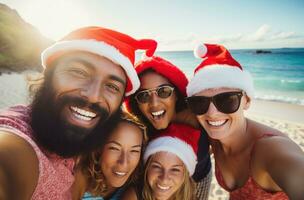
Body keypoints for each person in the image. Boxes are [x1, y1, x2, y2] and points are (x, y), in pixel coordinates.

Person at [0, 26, 157, 199]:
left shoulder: (89, 148)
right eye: (78, 72)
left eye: (112, 86)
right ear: (48, 75)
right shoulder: (18, 142)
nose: (93, 96)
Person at [186, 43, 304, 199]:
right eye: (200, 102)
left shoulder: (271, 148)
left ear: (247, 101)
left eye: (227, 100)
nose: (212, 113)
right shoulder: (213, 137)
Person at [125, 56, 211, 199]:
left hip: (200, 178)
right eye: (144, 96)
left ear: (176, 94)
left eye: (163, 91)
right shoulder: (138, 131)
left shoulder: (198, 118)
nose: (154, 103)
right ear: (137, 103)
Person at [71, 111, 148, 200]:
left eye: (134, 151)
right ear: (98, 149)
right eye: (114, 148)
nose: (124, 162)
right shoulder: (81, 176)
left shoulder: (134, 184)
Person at [121, 123, 199, 200]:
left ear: (185, 174)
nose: (164, 179)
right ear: (147, 167)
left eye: (175, 170)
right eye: (157, 167)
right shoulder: (133, 196)